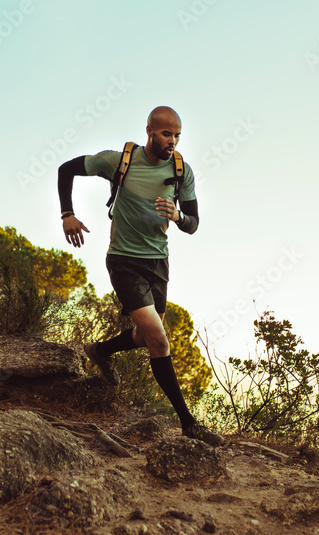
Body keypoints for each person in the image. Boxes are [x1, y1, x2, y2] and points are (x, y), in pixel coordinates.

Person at [56, 106, 223, 447]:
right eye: (166, 134)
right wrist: (67, 214)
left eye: (177, 135)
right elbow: (66, 169)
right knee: (160, 341)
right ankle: (189, 423)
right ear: (150, 131)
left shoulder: (181, 172)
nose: (172, 141)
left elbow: (193, 224)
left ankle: (100, 350)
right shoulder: (119, 161)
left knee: (148, 337)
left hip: (158, 262)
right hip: (123, 260)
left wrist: (177, 216)